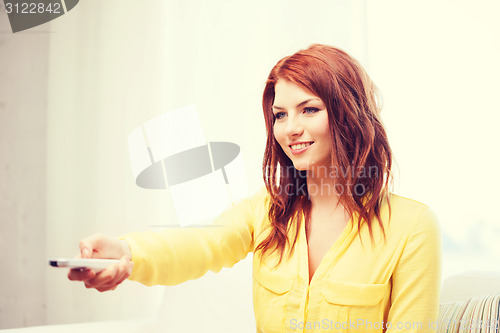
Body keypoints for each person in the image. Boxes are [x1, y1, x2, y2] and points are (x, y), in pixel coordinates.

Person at [68, 44, 441, 332]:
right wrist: (126, 253)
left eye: (309, 109)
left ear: (347, 113)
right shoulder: (266, 212)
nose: (290, 128)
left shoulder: (411, 227)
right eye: (280, 114)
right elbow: (197, 245)